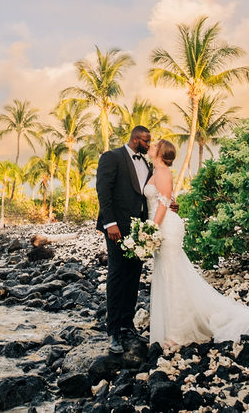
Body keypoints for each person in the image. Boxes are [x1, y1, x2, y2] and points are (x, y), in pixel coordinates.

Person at [145, 138, 249, 346]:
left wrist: (152, 227)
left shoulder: (162, 172)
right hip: (160, 225)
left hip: (165, 226)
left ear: (161, 151)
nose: (150, 146)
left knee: (172, 276)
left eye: (154, 145)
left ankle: (178, 332)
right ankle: (174, 325)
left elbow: (163, 203)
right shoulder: (155, 171)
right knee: (168, 273)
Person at [95, 125, 155, 354]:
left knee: (133, 275)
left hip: (139, 229)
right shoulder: (112, 157)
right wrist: (110, 223)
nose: (149, 145)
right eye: (146, 142)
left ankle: (128, 326)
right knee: (117, 275)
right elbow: (103, 190)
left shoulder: (147, 164)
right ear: (136, 139)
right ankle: (114, 332)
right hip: (117, 228)